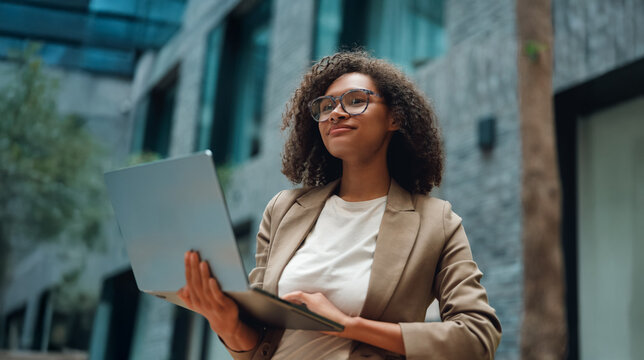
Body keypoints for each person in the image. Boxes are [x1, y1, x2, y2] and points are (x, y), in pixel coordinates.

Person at [178, 51, 502, 360]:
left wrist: (347, 326)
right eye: (326, 105)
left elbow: (477, 337)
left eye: (356, 101)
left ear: (395, 117)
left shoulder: (436, 222)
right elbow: (259, 344)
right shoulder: (284, 210)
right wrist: (223, 320)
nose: (336, 112)